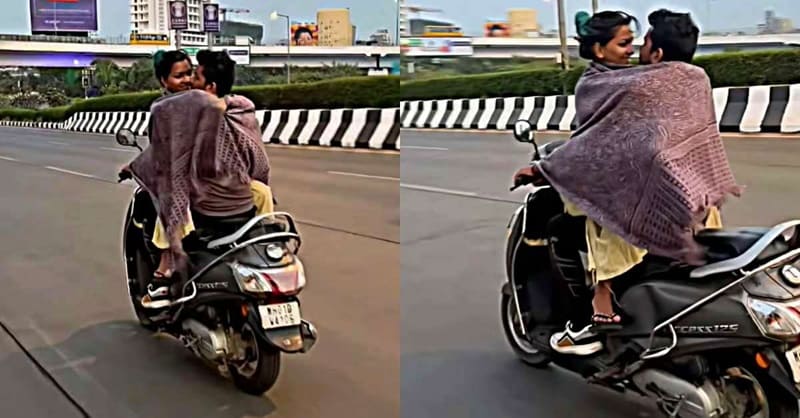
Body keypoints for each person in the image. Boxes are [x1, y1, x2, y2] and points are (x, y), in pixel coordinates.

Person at [513, 10, 740, 355]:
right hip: (693, 196)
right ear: (599, 49)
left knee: (573, 223)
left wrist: (544, 169)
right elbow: (607, 138)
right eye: (625, 43)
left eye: (638, 42)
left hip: (642, 197)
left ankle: (594, 315)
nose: (633, 50)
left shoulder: (627, 82)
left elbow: (597, 147)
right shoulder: (694, 79)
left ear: (658, 53)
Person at [122, 50, 273, 307]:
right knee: (174, 190)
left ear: (209, 85)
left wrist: (139, 166)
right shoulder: (233, 107)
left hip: (212, 189)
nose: (187, 81)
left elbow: (167, 159)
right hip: (221, 188)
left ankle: (166, 268)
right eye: (179, 76)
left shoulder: (207, 108)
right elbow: (164, 151)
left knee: (172, 194)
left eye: (190, 74)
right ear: (163, 81)